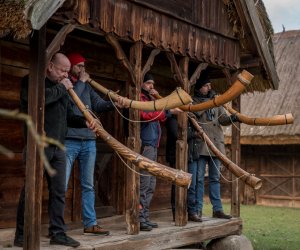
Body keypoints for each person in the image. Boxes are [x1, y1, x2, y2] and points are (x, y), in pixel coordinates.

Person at [14, 53, 98, 248]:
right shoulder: (32, 81)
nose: (65, 75)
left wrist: (84, 122)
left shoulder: (63, 88)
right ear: (50, 66)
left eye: (67, 72)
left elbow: (68, 115)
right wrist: (63, 87)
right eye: (62, 70)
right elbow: (40, 101)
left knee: (59, 192)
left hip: (59, 147)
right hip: (38, 145)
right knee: (30, 191)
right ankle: (21, 234)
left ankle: (58, 233)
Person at [64, 52, 126, 236]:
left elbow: (98, 104)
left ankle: (90, 223)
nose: (83, 69)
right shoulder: (66, 84)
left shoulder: (86, 87)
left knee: (88, 184)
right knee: (62, 183)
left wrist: (114, 104)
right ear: (71, 67)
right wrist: (82, 82)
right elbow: (73, 107)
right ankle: (58, 227)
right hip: (70, 139)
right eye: (79, 66)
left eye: (84, 66)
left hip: (89, 141)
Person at [187, 75, 238, 222]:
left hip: (217, 145)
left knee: (215, 179)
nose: (209, 88)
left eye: (210, 85)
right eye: (206, 85)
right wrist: (210, 103)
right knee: (200, 180)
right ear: (199, 87)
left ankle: (218, 210)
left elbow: (223, 120)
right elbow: (195, 113)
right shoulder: (194, 101)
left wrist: (233, 118)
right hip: (202, 145)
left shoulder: (217, 102)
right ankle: (197, 210)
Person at [139, 73, 180, 231]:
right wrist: (168, 111)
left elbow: (160, 118)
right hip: (146, 145)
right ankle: (140, 217)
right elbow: (146, 115)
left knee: (151, 183)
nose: (151, 86)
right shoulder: (141, 99)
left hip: (153, 146)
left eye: (152, 83)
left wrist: (160, 103)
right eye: (148, 83)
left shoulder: (150, 100)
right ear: (142, 84)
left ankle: (146, 216)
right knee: (143, 183)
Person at [165, 115, 178, 221]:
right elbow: (176, 134)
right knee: (176, 185)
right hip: (174, 155)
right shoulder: (172, 118)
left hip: (181, 155)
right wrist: (194, 134)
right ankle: (175, 212)